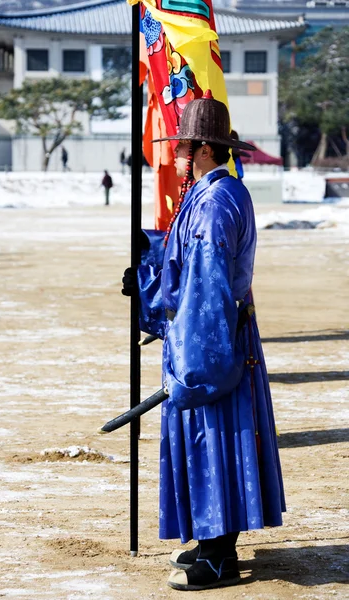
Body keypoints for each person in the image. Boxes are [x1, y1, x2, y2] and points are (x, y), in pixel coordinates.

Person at [122, 91, 285, 591]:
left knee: (214, 440)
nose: (175, 154)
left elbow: (205, 286)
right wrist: (147, 275)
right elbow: (182, 265)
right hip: (211, 333)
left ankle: (219, 556)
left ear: (204, 149)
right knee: (211, 441)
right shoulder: (220, 190)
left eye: (183, 145)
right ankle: (212, 542)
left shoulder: (215, 201)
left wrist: (198, 363)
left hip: (210, 342)